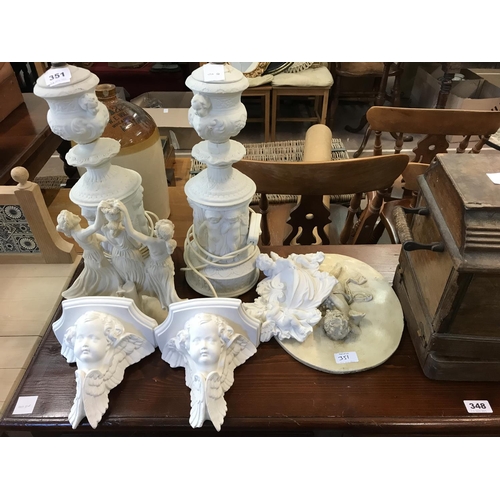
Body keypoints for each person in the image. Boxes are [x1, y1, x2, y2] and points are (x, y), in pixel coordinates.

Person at [61, 310, 154, 429]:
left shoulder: (112, 357)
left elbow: (146, 347)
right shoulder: (81, 361)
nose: (84, 343)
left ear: (109, 343)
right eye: (80, 337)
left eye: (93, 338)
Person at [164, 313, 256, 431]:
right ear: (187, 347)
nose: (203, 346)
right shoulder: (186, 357)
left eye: (211, 340)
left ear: (222, 345)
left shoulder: (225, 358)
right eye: (197, 341)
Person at [114, 200, 181, 310]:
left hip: (155, 268)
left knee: (158, 289)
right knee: (167, 288)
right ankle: (172, 306)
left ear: (157, 232)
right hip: (167, 266)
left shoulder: (152, 242)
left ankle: (165, 306)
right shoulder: (172, 243)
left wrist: (125, 212)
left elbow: (132, 232)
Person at [56, 210, 122, 298]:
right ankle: (113, 290)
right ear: (70, 223)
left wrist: (109, 239)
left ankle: (107, 288)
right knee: (110, 274)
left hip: (92, 256)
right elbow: (96, 226)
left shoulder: (79, 233)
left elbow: (96, 236)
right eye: (72, 215)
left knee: (98, 275)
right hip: (95, 258)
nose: (76, 215)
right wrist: (99, 210)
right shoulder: (81, 234)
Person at [97, 199, 145, 292]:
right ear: (120, 216)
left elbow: (99, 224)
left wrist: (99, 210)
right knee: (136, 278)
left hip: (116, 256)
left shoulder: (105, 230)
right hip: (131, 256)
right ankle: (138, 293)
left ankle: (130, 293)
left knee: (125, 277)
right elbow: (138, 245)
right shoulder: (126, 232)